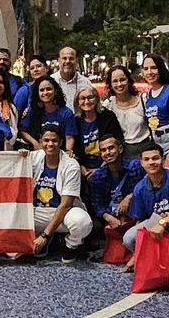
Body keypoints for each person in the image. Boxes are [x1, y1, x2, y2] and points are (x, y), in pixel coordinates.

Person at [122, 143, 169, 292]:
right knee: (129, 237)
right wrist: (137, 254)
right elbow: (140, 219)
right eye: (147, 159)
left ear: (163, 160)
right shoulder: (139, 188)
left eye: (155, 158)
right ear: (142, 163)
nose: (151, 162)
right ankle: (155, 266)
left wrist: (164, 222)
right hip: (156, 223)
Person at [27, 126, 92, 263]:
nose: (50, 144)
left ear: (61, 142)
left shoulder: (71, 165)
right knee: (12, 215)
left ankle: (70, 245)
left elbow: (66, 204)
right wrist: (18, 157)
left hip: (62, 211)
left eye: (54, 140)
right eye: (46, 140)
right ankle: (38, 238)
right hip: (37, 212)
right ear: (40, 141)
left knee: (82, 222)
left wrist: (45, 235)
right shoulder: (31, 158)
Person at [90, 134, 145, 228]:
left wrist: (130, 197)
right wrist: (107, 217)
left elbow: (146, 188)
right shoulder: (97, 176)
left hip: (137, 213)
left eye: (111, 148)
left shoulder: (135, 166)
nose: (107, 152)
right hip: (113, 217)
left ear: (120, 149)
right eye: (103, 150)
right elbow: (96, 204)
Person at [141, 54, 169, 164]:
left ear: (160, 69)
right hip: (156, 142)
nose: (149, 72)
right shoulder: (149, 94)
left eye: (154, 68)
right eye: (146, 69)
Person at [74, 86, 123, 181]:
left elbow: (118, 143)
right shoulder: (75, 121)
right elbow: (73, 150)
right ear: (78, 103)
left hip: (108, 165)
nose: (87, 101)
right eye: (82, 98)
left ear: (97, 99)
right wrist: (81, 168)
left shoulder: (108, 117)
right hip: (83, 170)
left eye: (90, 97)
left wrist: (100, 170)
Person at [103, 65, 152, 159]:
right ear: (110, 84)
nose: (119, 84)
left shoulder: (143, 101)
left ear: (129, 81)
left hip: (145, 151)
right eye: (115, 81)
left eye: (122, 79)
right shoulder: (108, 105)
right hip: (122, 154)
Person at [19, 76, 76, 154]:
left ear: (55, 91)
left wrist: (68, 152)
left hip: (59, 154)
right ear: (37, 93)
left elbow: (70, 138)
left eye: (49, 89)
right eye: (42, 90)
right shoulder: (32, 111)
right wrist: (35, 143)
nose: (45, 93)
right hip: (36, 154)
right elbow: (22, 131)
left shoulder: (67, 113)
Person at [51, 46, 92, 112]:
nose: (67, 61)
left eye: (71, 58)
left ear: (76, 60)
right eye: (64, 58)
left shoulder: (85, 82)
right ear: (59, 60)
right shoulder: (51, 81)